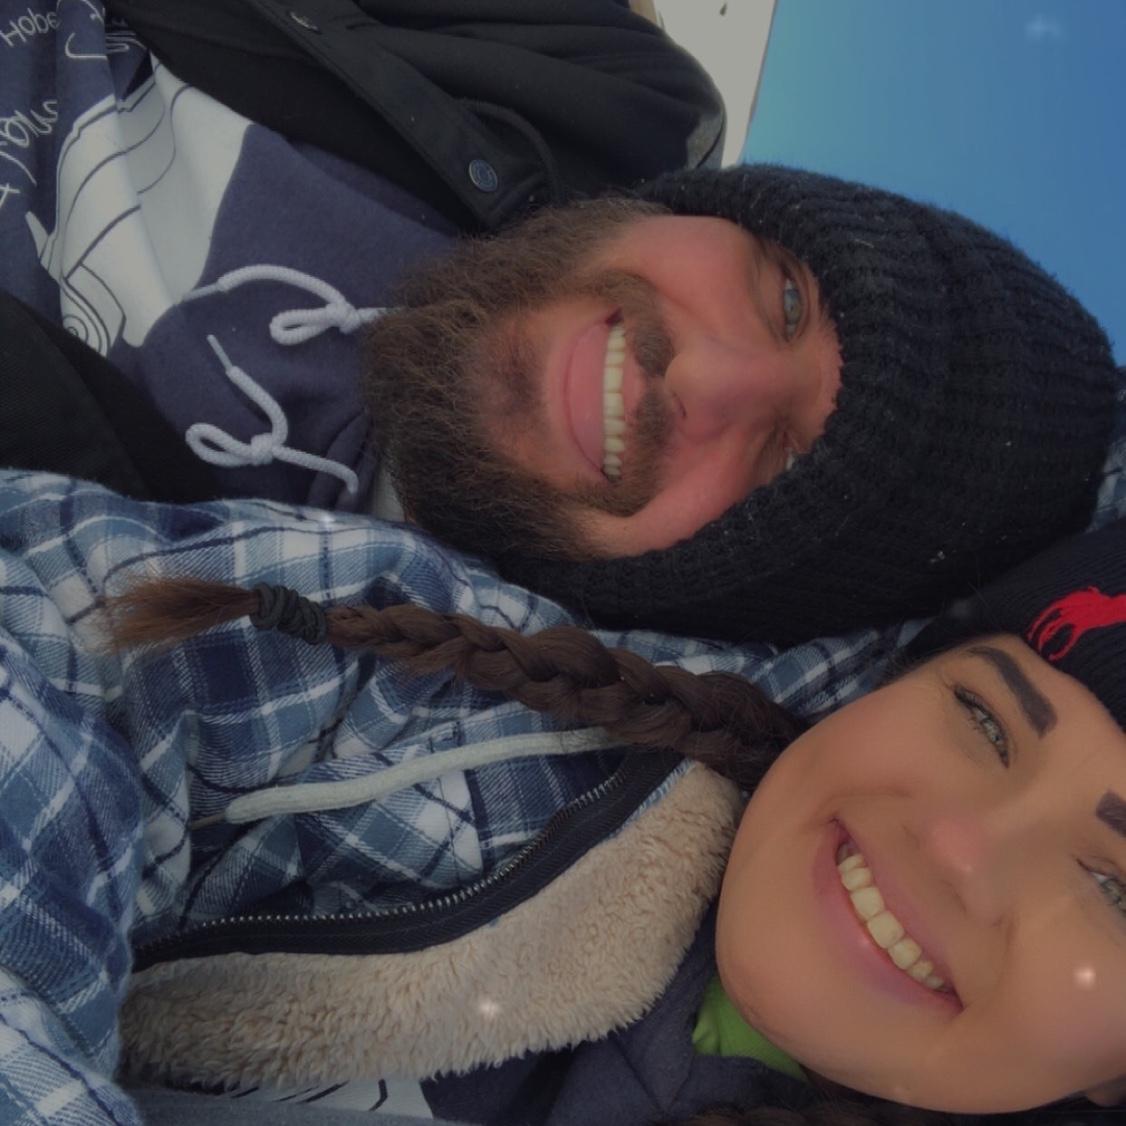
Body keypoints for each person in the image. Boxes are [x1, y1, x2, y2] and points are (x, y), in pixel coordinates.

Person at [2, 456, 1126, 1124]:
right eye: (985, 718)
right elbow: (59, 625)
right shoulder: (495, 698)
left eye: (1117, 889)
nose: (959, 847)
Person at [1, 3, 1121, 648]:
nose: (708, 378)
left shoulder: (189, 619)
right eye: (789, 299)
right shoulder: (598, 88)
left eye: (790, 468)